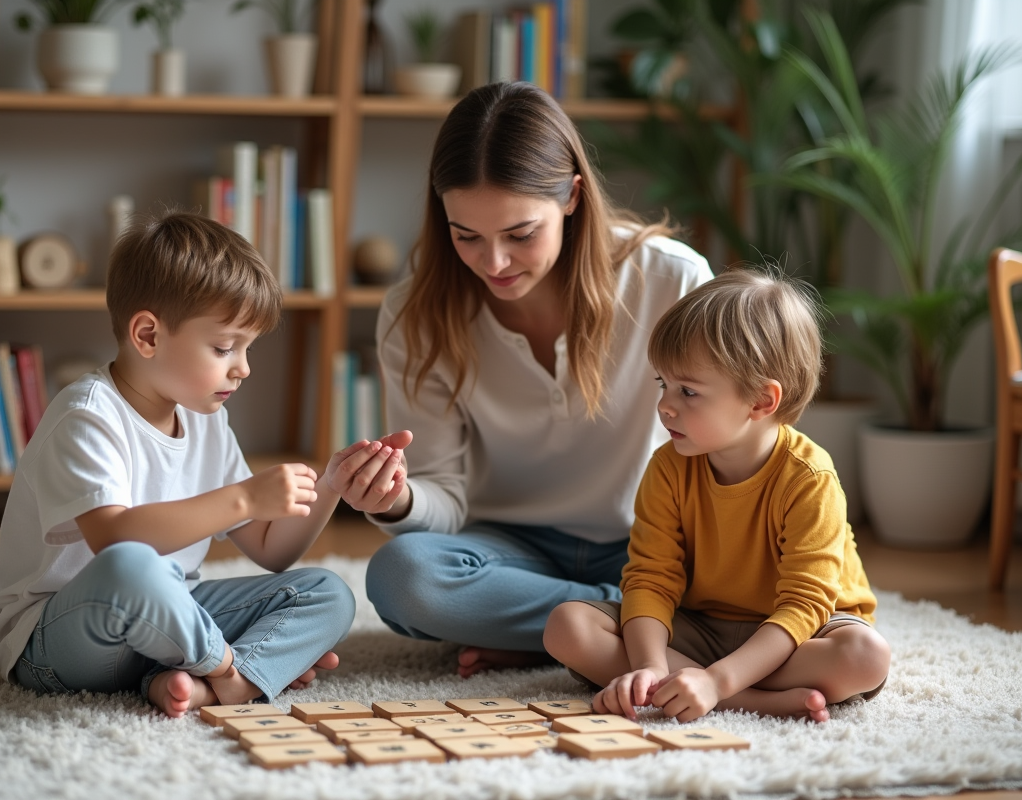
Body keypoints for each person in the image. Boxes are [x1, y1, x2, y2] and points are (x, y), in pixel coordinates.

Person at [338, 81, 713, 678]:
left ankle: (557, 635)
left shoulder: (670, 280)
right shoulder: (416, 314)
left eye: (520, 234)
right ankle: (625, 626)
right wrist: (398, 499)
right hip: (511, 552)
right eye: (467, 236)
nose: (494, 263)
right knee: (402, 577)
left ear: (571, 197)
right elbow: (445, 496)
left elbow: (721, 449)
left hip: (654, 546)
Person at [0, 212, 394, 718]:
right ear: (148, 336)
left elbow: (271, 550)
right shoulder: (87, 416)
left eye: (247, 348)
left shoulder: (206, 421)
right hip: (58, 638)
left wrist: (331, 485)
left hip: (169, 624)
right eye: (225, 347)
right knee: (133, 565)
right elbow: (116, 541)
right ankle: (231, 675)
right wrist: (244, 498)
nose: (243, 368)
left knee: (327, 592)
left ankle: (177, 680)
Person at [543, 267, 892, 723]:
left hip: (797, 634)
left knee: (866, 655)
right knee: (567, 627)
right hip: (700, 625)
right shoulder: (667, 467)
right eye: (663, 384)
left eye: (688, 390)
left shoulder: (809, 477)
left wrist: (717, 679)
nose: (665, 405)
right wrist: (649, 666)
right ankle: (745, 700)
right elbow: (650, 578)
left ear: (761, 402)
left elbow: (804, 605)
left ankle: (708, 688)